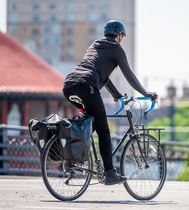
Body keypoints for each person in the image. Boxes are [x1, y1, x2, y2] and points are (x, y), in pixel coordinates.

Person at [62, 20, 157, 185]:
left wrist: (117, 95)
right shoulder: (117, 49)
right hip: (87, 87)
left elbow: (101, 76)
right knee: (104, 131)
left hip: (69, 85)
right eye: (122, 37)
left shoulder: (95, 46)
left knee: (89, 123)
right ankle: (110, 173)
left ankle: (72, 157)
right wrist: (146, 93)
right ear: (120, 36)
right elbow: (130, 76)